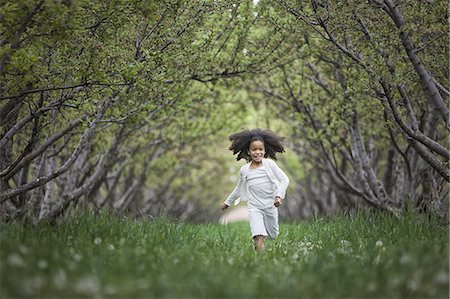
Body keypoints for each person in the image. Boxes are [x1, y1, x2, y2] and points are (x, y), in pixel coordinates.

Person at [220, 128, 290, 251]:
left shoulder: (270, 164)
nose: (257, 152)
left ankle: (267, 242)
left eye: (260, 149)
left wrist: (279, 196)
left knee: (273, 234)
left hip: (270, 205)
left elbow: (285, 180)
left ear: (265, 150)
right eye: (254, 149)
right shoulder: (244, 170)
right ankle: (260, 258)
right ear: (248, 151)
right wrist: (227, 202)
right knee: (258, 234)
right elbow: (238, 188)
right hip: (254, 207)